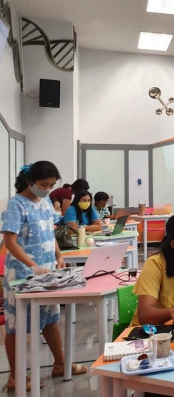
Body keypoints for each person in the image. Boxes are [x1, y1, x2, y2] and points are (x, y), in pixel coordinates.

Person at [1, 162, 87, 391]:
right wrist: (33, 265)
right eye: (43, 184)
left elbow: (50, 232)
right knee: (16, 325)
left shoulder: (46, 201)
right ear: (30, 182)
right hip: (22, 274)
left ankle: (60, 364)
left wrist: (59, 255)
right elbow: (10, 242)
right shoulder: (16, 204)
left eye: (51, 185)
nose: (48, 189)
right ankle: (15, 376)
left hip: (47, 271)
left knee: (50, 318)